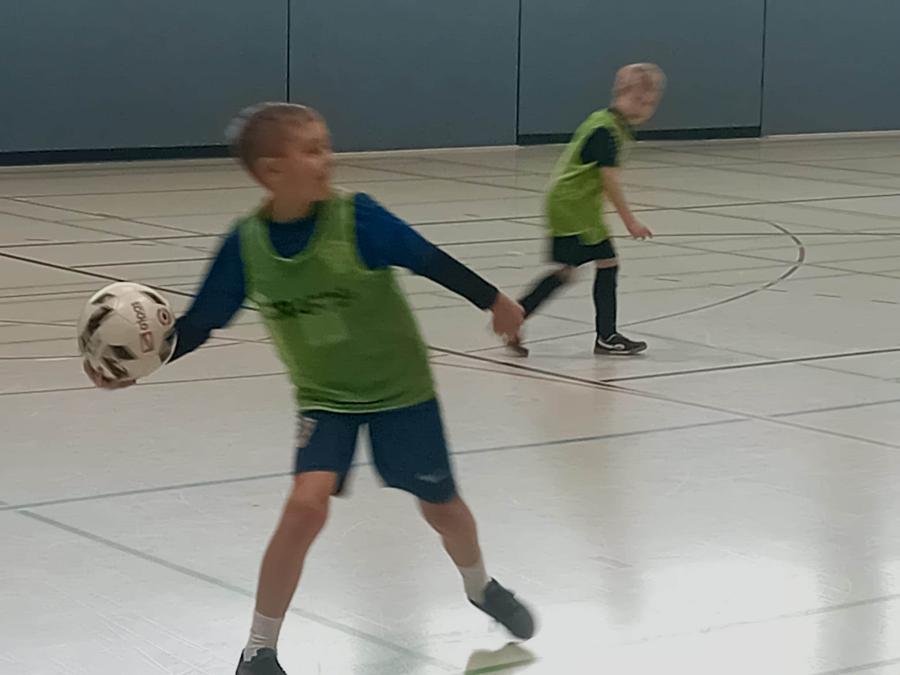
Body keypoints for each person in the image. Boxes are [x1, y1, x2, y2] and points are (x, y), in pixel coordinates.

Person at [84, 102, 536, 675]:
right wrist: (141, 365)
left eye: (326, 145)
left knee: (443, 510)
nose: (329, 158)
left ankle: (479, 587)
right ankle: (259, 650)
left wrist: (493, 301)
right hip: (325, 400)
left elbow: (427, 259)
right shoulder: (246, 245)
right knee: (304, 506)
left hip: (402, 392)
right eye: (313, 149)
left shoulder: (359, 220)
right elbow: (202, 322)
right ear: (272, 170)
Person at [509, 63, 666, 357]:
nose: (645, 108)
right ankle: (605, 335)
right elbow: (609, 180)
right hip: (572, 207)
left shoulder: (610, 123)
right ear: (621, 93)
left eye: (650, 103)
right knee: (597, 265)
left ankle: (515, 317)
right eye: (639, 99)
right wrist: (630, 222)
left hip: (576, 205)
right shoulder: (605, 131)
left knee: (575, 270)